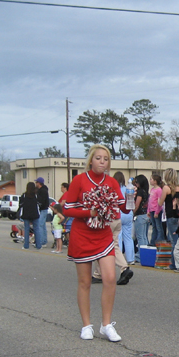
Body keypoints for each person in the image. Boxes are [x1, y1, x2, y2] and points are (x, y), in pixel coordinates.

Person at [62, 145, 124, 342]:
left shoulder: (112, 182)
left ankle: (106, 325)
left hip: (103, 236)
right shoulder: (79, 180)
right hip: (82, 235)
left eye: (105, 159)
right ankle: (86, 325)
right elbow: (67, 209)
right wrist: (90, 212)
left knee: (110, 278)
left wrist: (130, 203)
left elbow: (122, 208)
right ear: (91, 160)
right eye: (98, 158)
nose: (102, 162)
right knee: (85, 282)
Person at [92, 171, 134, 286]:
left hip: (107, 220)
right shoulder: (119, 188)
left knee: (99, 245)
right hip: (117, 217)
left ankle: (98, 273)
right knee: (115, 244)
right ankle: (124, 267)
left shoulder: (102, 188)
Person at [161, 168, 179, 270]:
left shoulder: (166, 188)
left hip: (170, 215)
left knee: (173, 240)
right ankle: (178, 261)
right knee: (178, 239)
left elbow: (160, 203)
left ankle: (173, 264)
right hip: (178, 215)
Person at [115, 171, 136, 264]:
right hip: (128, 213)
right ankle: (130, 258)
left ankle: (118, 258)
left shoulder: (115, 189)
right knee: (128, 237)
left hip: (119, 213)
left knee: (118, 237)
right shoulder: (127, 188)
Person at [18, 181, 42, 250]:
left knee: (26, 229)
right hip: (35, 214)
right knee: (36, 229)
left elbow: (20, 204)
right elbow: (40, 203)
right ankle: (38, 245)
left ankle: (26, 245)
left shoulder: (24, 195)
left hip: (26, 214)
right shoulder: (36, 195)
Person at [132, 175, 150, 263]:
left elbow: (137, 204)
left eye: (137, 182)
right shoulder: (146, 192)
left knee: (140, 237)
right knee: (144, 236)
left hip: (140, 215)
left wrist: (133, 212)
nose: (135, 183)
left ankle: (140, 255)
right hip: (146, 215)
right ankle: (146, 254)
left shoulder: (140, 192)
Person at [148, 174, 164, 244]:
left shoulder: (159, 190)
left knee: (158, 227)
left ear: (155, 181)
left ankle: (159, 240)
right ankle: (153, 242)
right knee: (154, 227)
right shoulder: (152, 189)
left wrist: (157, 212)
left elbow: (160, 202)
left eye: (151, 179)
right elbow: (150, 201)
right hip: (151, 210)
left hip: (156, 211)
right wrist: (148, 210)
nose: (150, 181)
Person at [35, 177, 49, 248]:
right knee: (42, 225)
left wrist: (38, 203)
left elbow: (42, 201)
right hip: (43, 209)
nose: (35, 183)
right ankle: (44, 241)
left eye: (36, 182)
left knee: (40, 225)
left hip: (43, 209)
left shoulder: (43, 191)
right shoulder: (41, 190)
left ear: (39, 183)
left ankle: (40, 241)